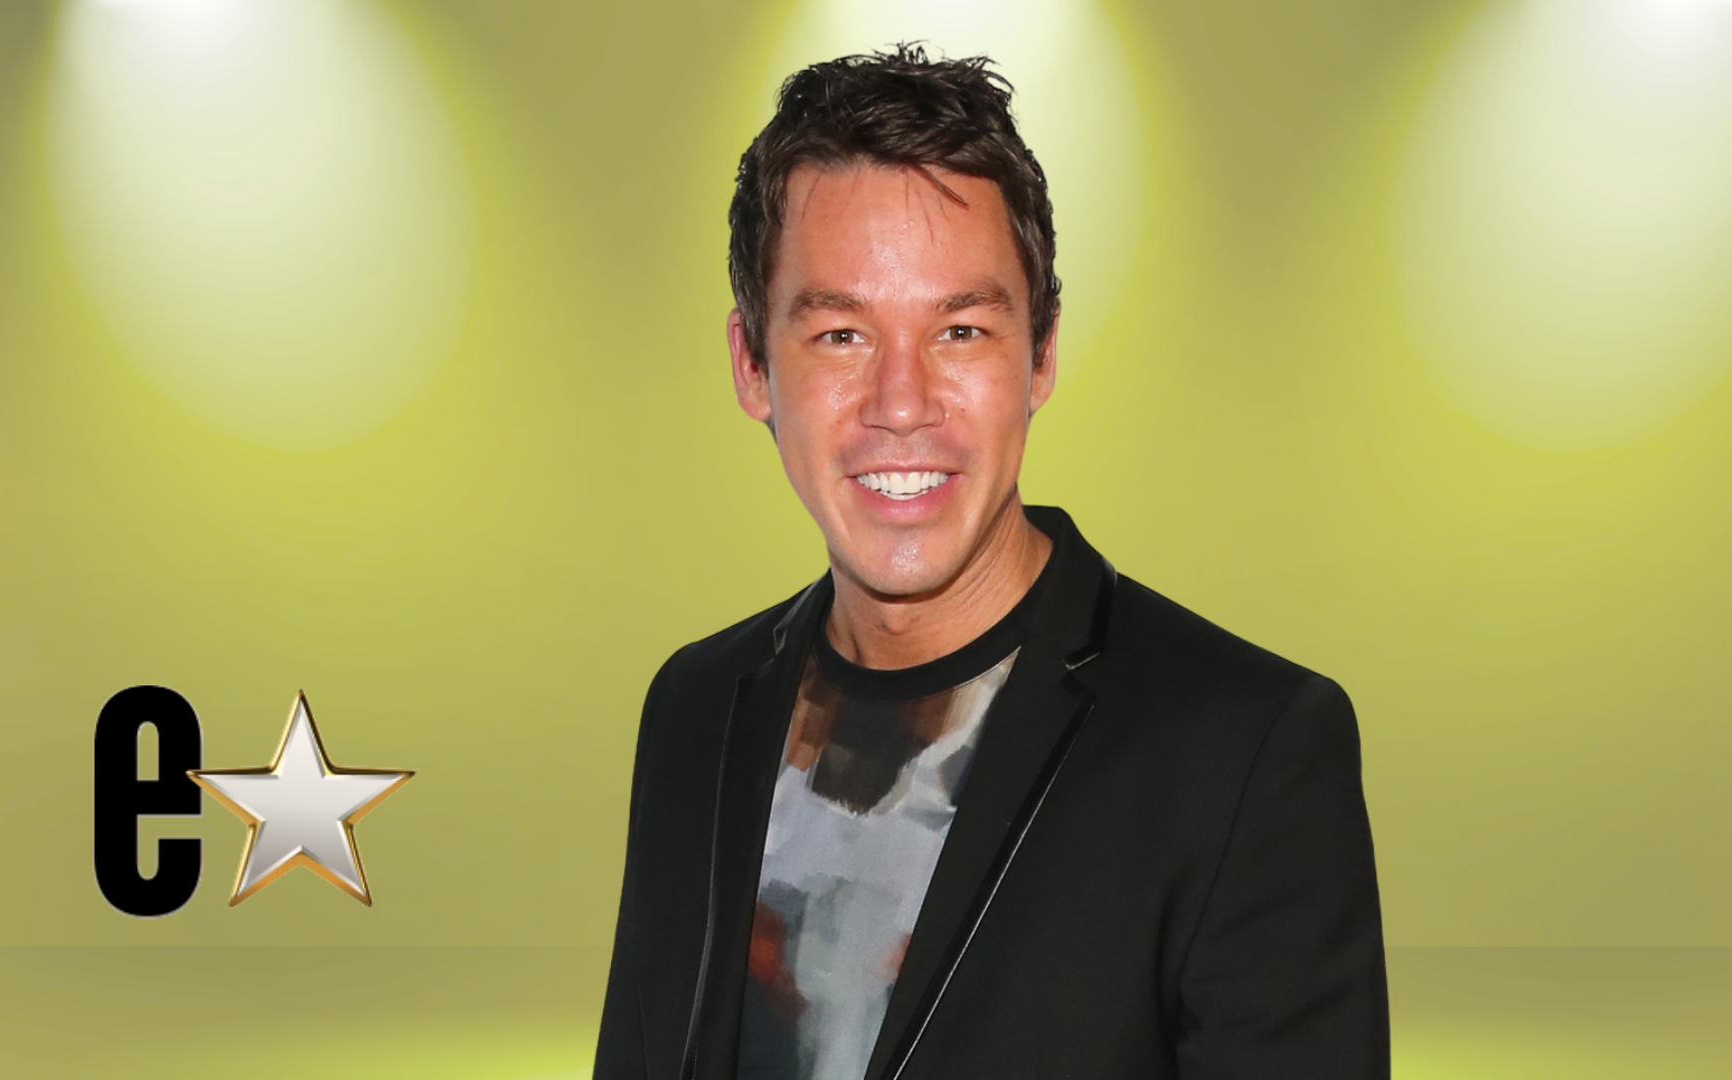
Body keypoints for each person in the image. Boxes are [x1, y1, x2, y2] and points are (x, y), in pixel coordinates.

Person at [593, 45, 1388, 1080]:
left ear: (1041, 355)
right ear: (752, 366)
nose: (902, 404)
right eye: (840, 335)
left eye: (961, 330)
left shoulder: (1248, 752)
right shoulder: (695, 708)